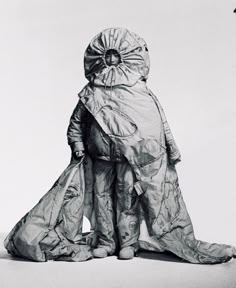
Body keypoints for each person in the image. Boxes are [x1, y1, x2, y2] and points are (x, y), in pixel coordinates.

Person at [4, 27, 236, 263]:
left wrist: (156, 152)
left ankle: (128, 243)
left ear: (126, 57)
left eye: (117, 56)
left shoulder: (140, 93)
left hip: (129, 159)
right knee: (102, 199)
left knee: (127, 199)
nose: (112, 61)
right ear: (101, 57)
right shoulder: (91, 93)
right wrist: (77, 145)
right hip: (100, 158)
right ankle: (106, 242)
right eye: (108, 56)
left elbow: (154, 125)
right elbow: (76, 123)